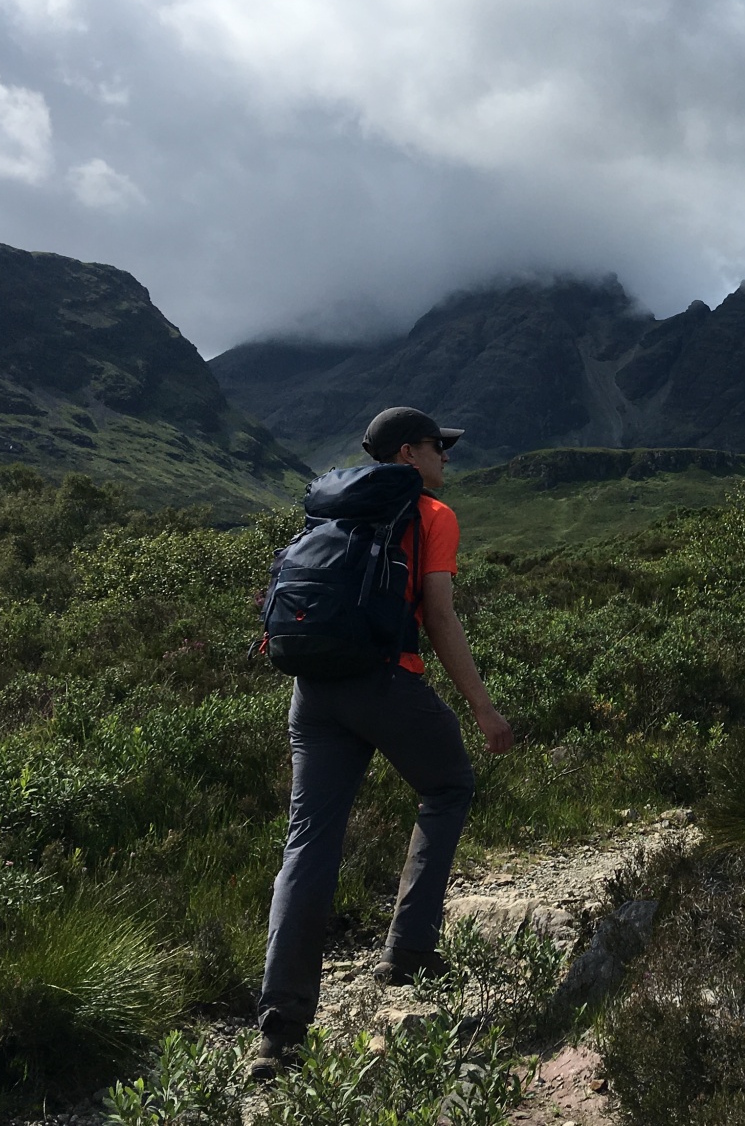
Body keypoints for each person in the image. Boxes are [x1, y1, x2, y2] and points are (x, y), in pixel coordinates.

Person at [249, 406, 514, 1081]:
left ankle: (280, 1031)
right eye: (438, 448)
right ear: (408, 453)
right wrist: (483, 709)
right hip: (383, 681)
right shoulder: (427, 515)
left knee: (308, 842)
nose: (446, 460)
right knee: (448, 785)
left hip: (312, 689)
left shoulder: (333, 511)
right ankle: (410, 949)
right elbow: (442, 615)